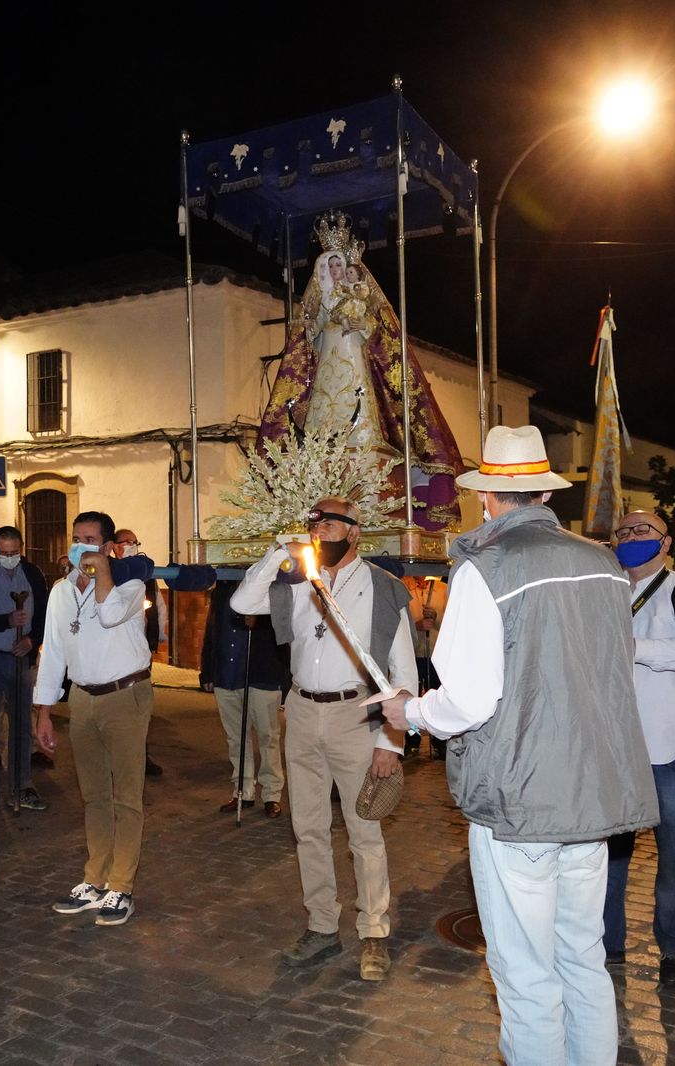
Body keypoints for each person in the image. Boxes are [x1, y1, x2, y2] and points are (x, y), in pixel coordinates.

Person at [374, 425, 657, 1064]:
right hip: (593, 796)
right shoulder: (603, 561)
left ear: (489, 498)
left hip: (522, 803)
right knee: (583, 959)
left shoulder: (487, 567)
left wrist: (409, 712)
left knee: (527, 974)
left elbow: (470, 700)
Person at [232, 497, 417, 982]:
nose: (321, 530)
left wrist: (390, 743)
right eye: (315, 523)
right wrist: (279, 553)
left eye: (331, 523)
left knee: (364, 829)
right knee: (308, 827)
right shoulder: (297, 580)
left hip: (356, 715)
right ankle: (321, 926)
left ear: (355, 532)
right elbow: (241, 603)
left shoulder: (383, 586)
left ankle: (374, 931)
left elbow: (403, 673)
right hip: (301, 708)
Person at [256, 211, 463, 531]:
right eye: (329, 265)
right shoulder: (319, 297)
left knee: (358, 399)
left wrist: (361, 326)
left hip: (355, 361)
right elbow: (306, 340)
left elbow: (379, 335)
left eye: (339, 264)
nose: (335, 271)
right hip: (328, 361)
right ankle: (320, 443)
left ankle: (364, 436)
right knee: (324, 408)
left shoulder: (361, 294)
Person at [603, 510, 675, 988]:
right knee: (609, 861)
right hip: (614, 751)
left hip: (674, 749)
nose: (632, 538)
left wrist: (630, 645)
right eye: (624, 532)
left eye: (643, 531)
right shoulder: (602, 591)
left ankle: (674, 953)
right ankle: (606, 945)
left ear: (666, 541)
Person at [34, 510, 152, 927]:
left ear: (107, 546)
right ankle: (95, 879)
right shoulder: (61, 592)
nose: (81, 545)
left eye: (91, 539)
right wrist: (44, 710)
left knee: (126, 797)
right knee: (94, 797)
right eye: (75, 537)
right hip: (83, 698)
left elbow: (106, 613)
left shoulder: (132, 583)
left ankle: (122, 886)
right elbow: (52, 652)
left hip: (126, 695)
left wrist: (103, 572)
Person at [0, 525, 49, 814]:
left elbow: (43, 615)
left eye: (14, 553)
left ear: (22, 549)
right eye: (4, 553)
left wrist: (32, 640)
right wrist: (6, 621)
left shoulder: (34, 575)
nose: (9, 557)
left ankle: (22, 785)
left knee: (21, 727)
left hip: (20, 659)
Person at [200, 579, 286, 817]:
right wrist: (207, 670)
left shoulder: (270, 586)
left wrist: (260, 622)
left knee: (268, 736)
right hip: (227, 676)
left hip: (261, 675)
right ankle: (243, 790)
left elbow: (284, 627)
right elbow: (212, 631)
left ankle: (271, 793)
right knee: (236, 738)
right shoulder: (222, 590)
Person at [114, 528, 165, 777]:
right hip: (117, 652)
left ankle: (141, 756)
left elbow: (159, 605)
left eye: (136, 542)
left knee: (141, 709)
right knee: (118, 712)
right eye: (127, 542)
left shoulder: (146, 574)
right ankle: (119, 761)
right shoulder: (110, 571)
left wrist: (158, 636)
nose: (133, 546)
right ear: (115, 546)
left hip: (141, 651)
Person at [403, 574, 449, 760]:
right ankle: (412, 741)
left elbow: (453, 620)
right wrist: (416, 626)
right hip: (412, 653)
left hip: (436, 654)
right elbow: (398, 619)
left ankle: (440, 741)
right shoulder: (403, 584)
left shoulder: (443, 589)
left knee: (438, 698)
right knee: (411, 700)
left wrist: (436, 619)